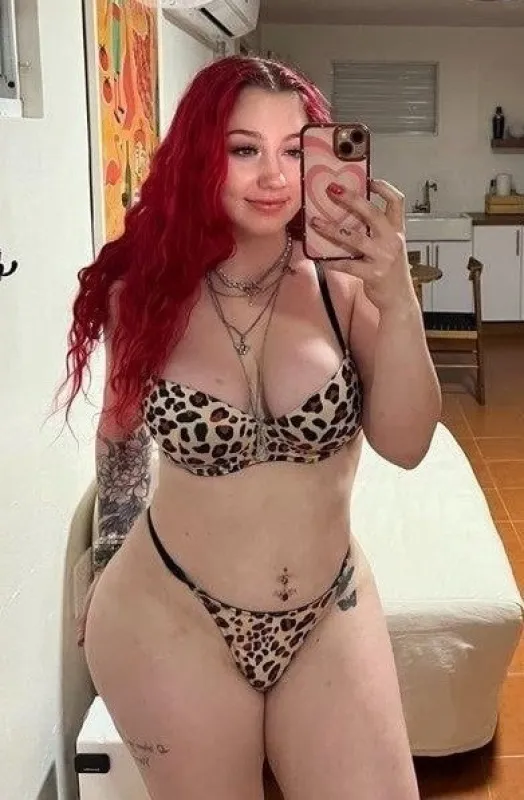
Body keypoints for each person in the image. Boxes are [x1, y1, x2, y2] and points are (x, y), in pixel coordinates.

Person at [63, 55, 440, 800]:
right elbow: (121, 435)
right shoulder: (144, 293)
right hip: (169, 615)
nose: (273, 175)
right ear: (201, 156)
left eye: (294, 150)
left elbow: (407, 445)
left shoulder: (344, 286)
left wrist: (399, 300)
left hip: (328, 610)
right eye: (244, 149)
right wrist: (103, 559)